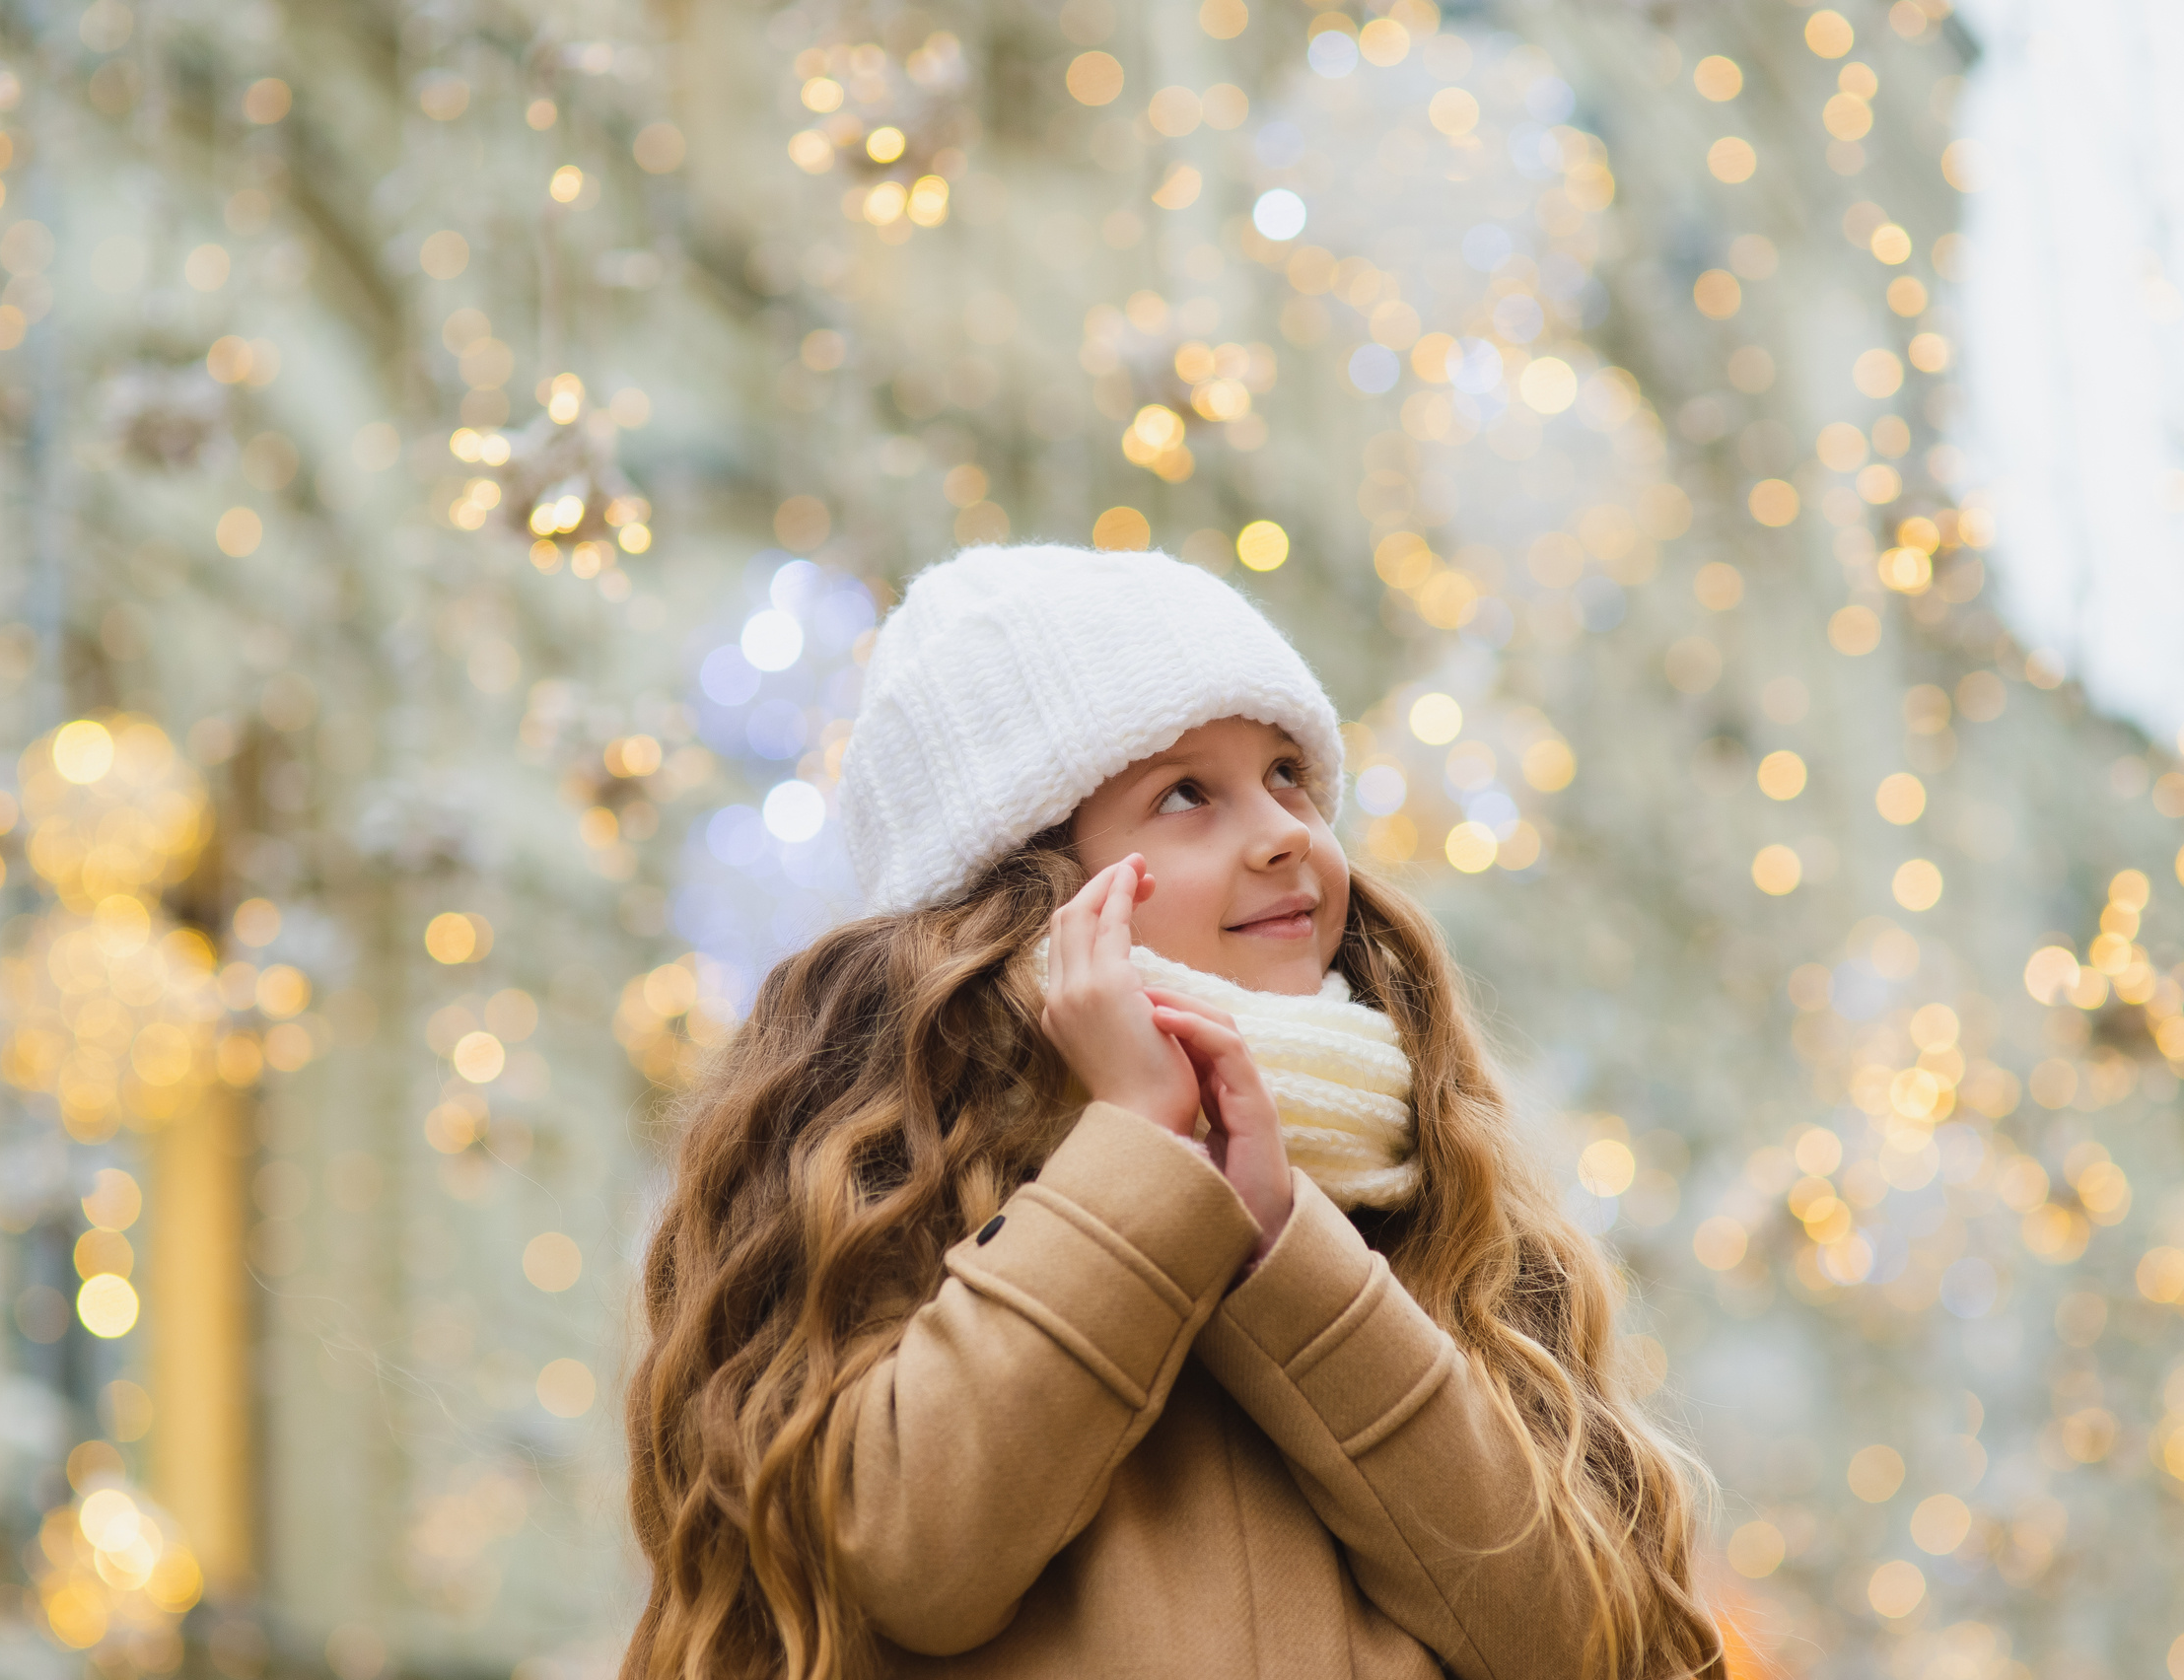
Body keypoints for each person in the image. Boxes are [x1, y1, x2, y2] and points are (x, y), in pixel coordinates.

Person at [621, 544, 1723, 1680]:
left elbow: (1580, 1642)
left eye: (1289, 773)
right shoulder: (891, 1187)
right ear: (1023, 895)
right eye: (1186, 794)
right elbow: (909, 1568)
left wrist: (1289, 1258)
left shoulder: (1430, 1193)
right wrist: (1139, 1157)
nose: (1286, 829)